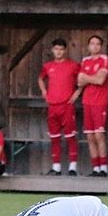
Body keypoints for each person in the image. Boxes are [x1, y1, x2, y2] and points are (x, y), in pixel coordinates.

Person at [38, 38, 81, 176]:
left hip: (67, 105)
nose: (58, 52)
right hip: (52, 106)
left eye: (61, 49)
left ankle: (72, 167)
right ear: (52, 50)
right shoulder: (48, 66)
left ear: (65, 50)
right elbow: (40, 78)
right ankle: (56, 167)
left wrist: (77, 93)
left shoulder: (73, 65)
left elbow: (82, 79)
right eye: (56, 49)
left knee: (70, 137)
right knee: (54, 137)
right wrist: (44, 91)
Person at [78, 34, 108, 177]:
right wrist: (92, 78)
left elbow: (100, 80)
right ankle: (95, 168)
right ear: (88, 46)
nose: (95, 46)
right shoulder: (85, 61)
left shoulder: (105, 59)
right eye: (92, 43)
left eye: (98, 44)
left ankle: (104, 168)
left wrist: (87, 78)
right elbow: (79, 82)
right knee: (90, 136)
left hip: (100, 102)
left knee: (99, 135)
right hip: (87, 101)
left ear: (101, 46)